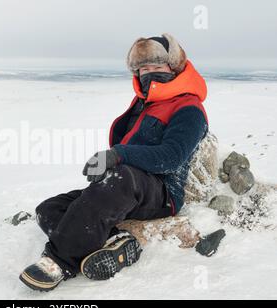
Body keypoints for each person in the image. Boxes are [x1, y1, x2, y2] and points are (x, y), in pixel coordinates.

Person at [19, 33, 209, 292]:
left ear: (173, 67)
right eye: (144, 68)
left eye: (157, 67)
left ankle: (60, 261)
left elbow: (171, 157)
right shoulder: (144, 104)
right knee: (49, 209)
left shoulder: (189, 108)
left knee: (121, 178)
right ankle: (117, 242)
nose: (149, 73)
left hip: (162, 194)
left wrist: (117, 156)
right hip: (127, 188)